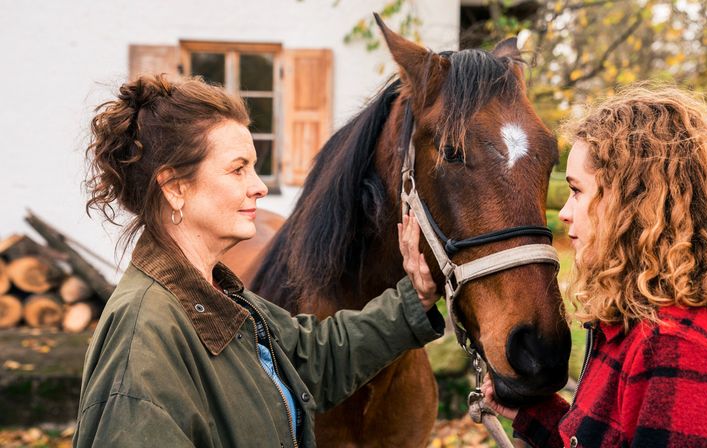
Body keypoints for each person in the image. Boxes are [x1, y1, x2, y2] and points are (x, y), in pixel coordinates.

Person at [74, 74, 442, 447]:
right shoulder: (144, 336)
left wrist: (417, 297)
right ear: (175, 188)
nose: (260, 186)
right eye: (238, 169)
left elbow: (314, 361)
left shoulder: (221, 297)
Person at [482, 85, 707, 447]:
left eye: (577, 191)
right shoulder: (638, 321)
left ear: (635, 202)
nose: (563, 213)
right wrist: (535, 414)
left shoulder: (678, 348)